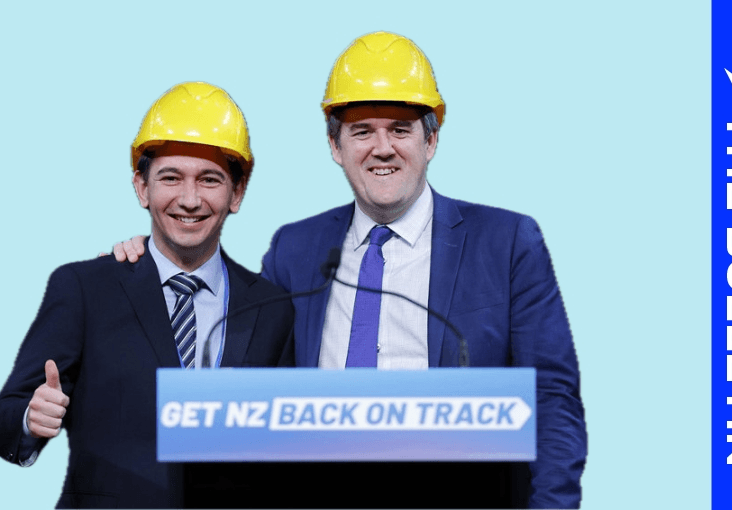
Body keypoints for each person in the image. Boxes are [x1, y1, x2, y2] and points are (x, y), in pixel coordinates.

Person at [115, 33, 586, 509]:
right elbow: (242, 378)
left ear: (432, 140)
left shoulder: (506, 244)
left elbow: (551, 398)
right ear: (335, 145)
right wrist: (153, 264)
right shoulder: (295, 251)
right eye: (362, 131)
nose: (382, 148)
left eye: (400, 129)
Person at [0, 82, 295, 509]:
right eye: (170, 178)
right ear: (141, 187)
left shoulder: (273, 309)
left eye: (209, 179)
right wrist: (29, 419)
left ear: (237, 193)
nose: (189, 199)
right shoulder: (84, 289)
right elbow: (2, 419)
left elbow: (285, 452)